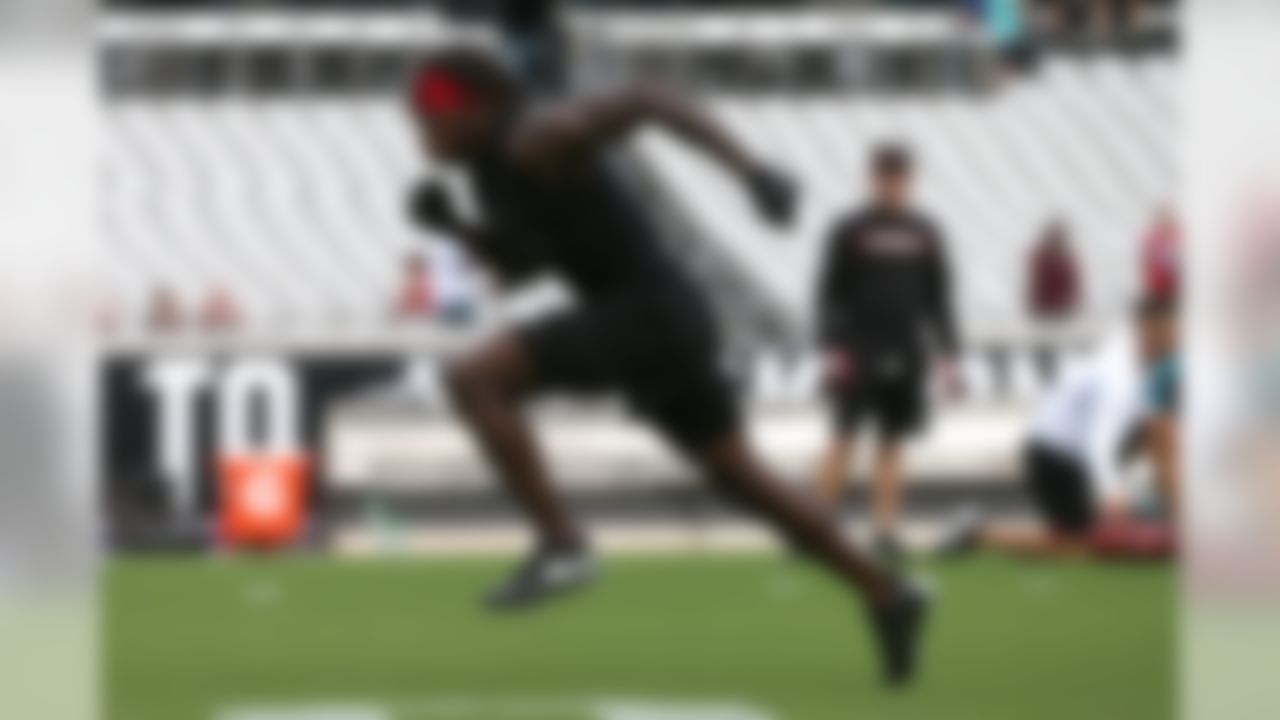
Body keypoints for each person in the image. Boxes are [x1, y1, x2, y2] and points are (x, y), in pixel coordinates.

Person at [406, 47, 929, 685]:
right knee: (742, 479)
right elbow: (523, 267)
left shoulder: (538, 135)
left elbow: (649, 97)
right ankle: (885, 592)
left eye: (430, 118)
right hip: (663, 320)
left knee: (473, 379)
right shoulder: (494, 167)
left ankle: (563, 546)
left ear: (475, 108)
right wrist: (456, 227)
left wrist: (751, 171)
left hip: (647, 314)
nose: (421, 133)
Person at [938, 295, 1181, 561]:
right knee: (1086, 543)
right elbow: (1098, 443)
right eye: (1170, 334)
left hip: (1061, 452)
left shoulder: (1137, 365)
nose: (1175, 342)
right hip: (1055, 456)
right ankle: (978, 533)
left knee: (1080, 538)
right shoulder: (1121, 376)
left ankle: (976, 532)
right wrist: (1112, 493)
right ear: (1150, 332)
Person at [811, 143, 961, 563]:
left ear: (910, 181)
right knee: (843, 436)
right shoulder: (851, 229)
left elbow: (938, 298)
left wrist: (949, 355)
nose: (891, 185)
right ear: (871, 179)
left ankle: (885, 527)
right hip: (858, 349)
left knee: (893, 441)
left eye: (899, 177)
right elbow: (828, 294)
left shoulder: (925, 233)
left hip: (905, 350)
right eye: (884, 176)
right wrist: (832, 347)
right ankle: (818, 525)